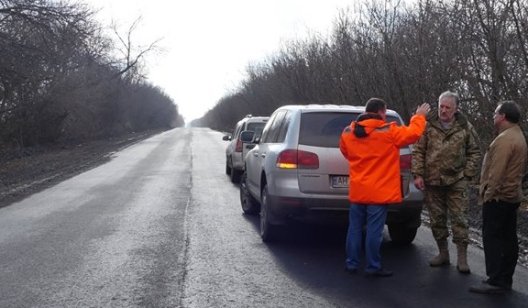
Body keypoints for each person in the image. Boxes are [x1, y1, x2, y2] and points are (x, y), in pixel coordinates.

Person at [340, 98, 430, 277]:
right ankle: (373, 266)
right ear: (381, 112)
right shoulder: (389, 132)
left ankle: (351, 263)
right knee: (374, 230)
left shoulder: (349, 132)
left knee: (355, 228)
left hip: (358, 190)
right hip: (378, 192)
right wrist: (419, 117)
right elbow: (413, 134)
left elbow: (345, 151)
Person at [411, 91, 481, 274]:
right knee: (437, 219)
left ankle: (462, 258)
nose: (443, 110)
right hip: (433, 181)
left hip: (457, 181)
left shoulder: (465, 127)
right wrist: (418, 174)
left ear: (456, 109)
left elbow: (474, 152)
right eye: (441, 106)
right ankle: (443, 253)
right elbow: (419, 151)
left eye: (447, 107)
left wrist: (468, 174)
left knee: (460, 219)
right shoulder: (428, 125)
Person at [469, 101, 527, 294]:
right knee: (508, 238)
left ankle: (495, 280)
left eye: (495, 113)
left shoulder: (505, 140)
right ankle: (504, 278)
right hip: (512, 196)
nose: (493, 116)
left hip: (499, 198)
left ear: (502, 116)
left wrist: (487, 195)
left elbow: (497, 172)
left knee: (493, 237)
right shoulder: (518, 135)